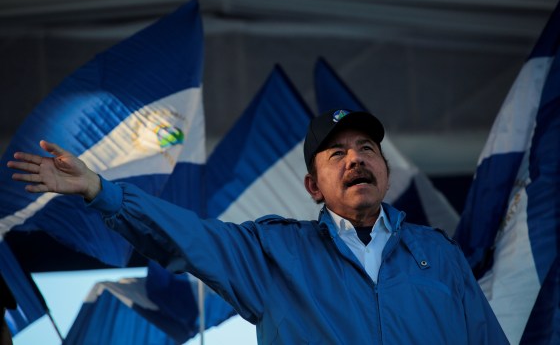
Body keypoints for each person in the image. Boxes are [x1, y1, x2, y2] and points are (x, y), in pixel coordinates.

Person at [8, 109, 508, 344]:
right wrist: (100, 189)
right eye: (337, 154)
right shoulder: (272, 253)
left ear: (385, 172)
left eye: (366, 150)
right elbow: (187, 235)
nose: (355, 159)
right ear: (313, 187)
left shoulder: (439, 256)